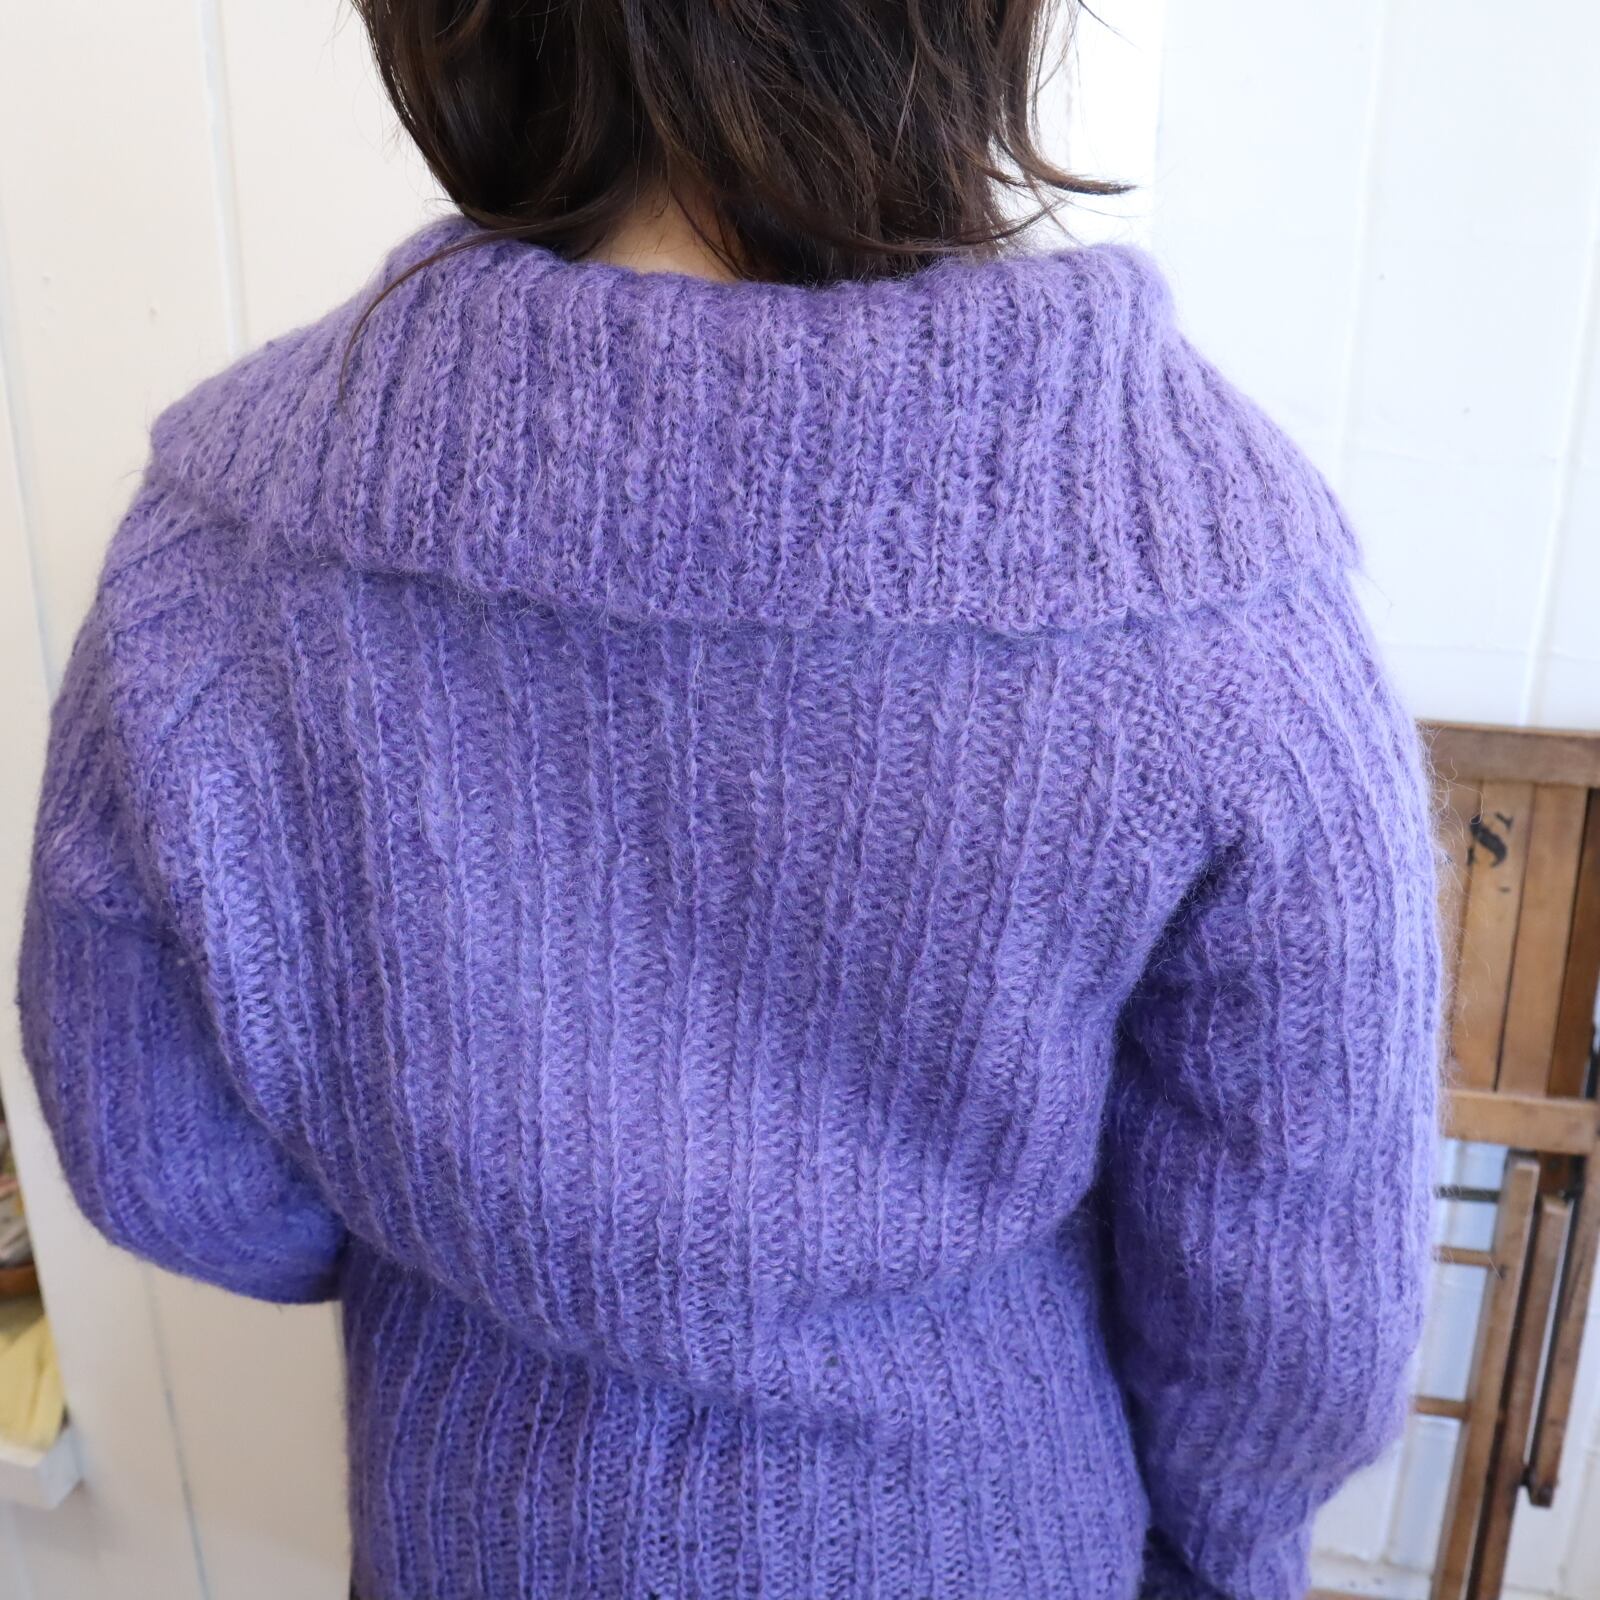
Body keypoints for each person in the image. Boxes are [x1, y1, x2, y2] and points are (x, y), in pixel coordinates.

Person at [15, 2, 1442, 1596]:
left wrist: (476, 1258)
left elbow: (162, 1160)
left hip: (472, 1529)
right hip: (981, 1536)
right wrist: (1224, 1554)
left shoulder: (227, 533)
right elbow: (1296, 1320)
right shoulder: (1218, 593)